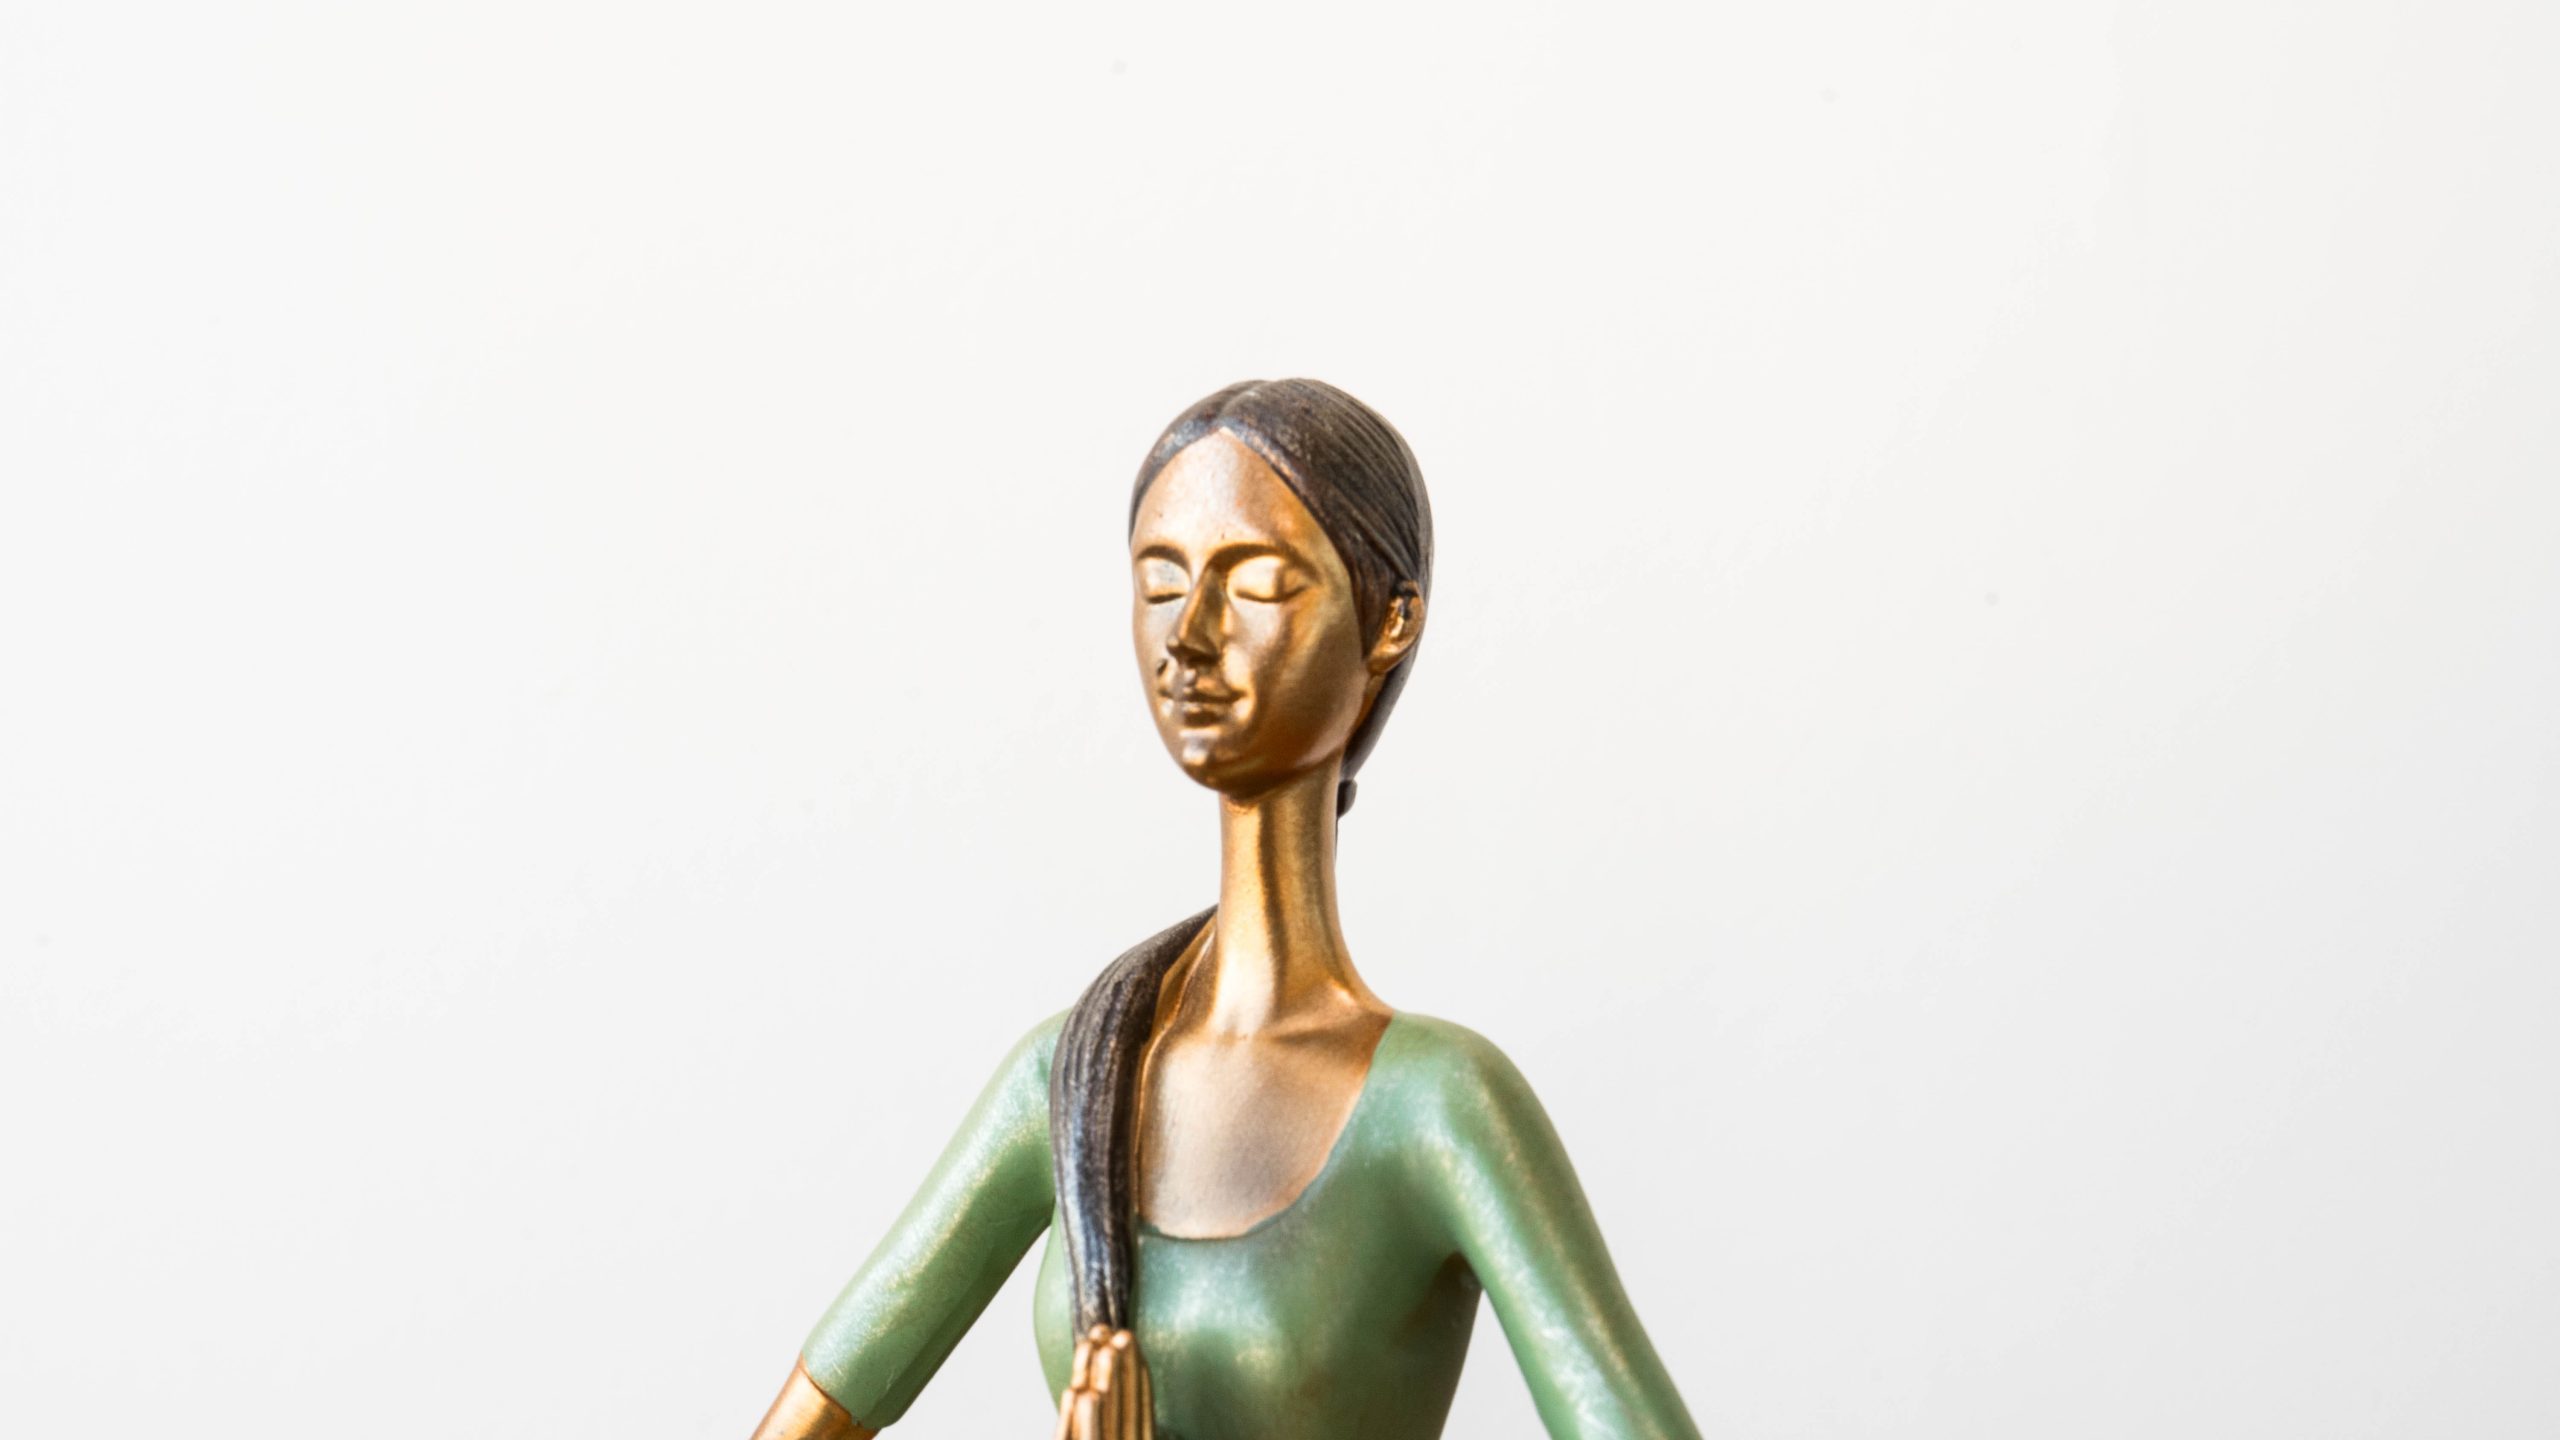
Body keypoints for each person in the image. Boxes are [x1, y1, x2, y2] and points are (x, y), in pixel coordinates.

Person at [749, 380, 1698, 1440]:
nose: (1189, 636)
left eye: (1257, 583)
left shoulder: (1437, 1109)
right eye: (1161, 584)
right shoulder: (1066, 1080)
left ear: (1389, 621)